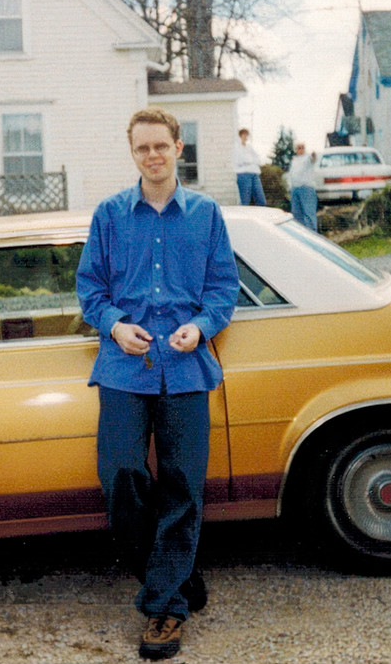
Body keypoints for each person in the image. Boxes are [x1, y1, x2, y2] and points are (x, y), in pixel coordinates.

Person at [77, 109, 240, 661]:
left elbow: (223, 287)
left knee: (182, 485)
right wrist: (115, 326)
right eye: (142, 148)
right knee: (120, 474)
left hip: (186, 365)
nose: (152, 156)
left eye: (161, 146)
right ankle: (172, 573)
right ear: (133, 153)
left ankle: (165, 609)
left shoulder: (206, 214)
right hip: (124, 367)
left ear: (178, 148)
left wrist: (203, 325)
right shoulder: (108, 216)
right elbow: (90, 290)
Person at [287, 142, 319, 231]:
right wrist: (290, 187)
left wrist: (313, 155)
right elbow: (291, 174)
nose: (301, 149)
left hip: (306, 188)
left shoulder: (307, 158)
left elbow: (313, 159)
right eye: (299, 148)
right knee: (296, 214)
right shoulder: (294, 160)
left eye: (302, 147)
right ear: (296, 149)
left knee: (309, 214)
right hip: (295, 189)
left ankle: (313, 235)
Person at [232, 128, 265, 206]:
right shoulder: (236, 147)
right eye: (244, 135)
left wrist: (250, 161)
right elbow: (239, 161)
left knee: (261, 200)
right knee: (245, 201)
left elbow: (258, 160)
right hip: (243, 174)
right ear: (240, 136)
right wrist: (251, 161)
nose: (245, 137)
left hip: (254, 174)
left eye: (247, 135)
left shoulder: (249, 147)